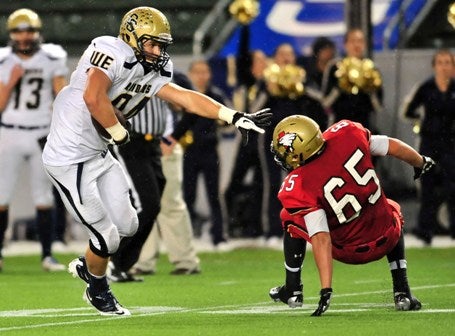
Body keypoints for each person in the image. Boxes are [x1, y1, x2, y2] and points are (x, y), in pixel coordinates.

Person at [41, 6, 271, 316]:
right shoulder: (109, 49)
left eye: (162, 45)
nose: (158, 51)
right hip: (69, 155)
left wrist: (232, 115)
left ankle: (91, 263)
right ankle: (97, 289)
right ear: (131, 36)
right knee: (106, 236)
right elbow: (94, 97)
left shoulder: (155, 69)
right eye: (152, 43)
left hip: (97, 151)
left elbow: (185, 97)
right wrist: (119, 133)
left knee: (129, 223)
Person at [268, 115, 434, 316]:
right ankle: (402, 290)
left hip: (348, 251)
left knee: (289, 217)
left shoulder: (298, 184)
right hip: (386, 236)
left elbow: (321, 238)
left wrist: (326, 289)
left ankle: (292, 289)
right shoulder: (347, 133)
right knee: (391, 208)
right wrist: (420, 161)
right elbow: (391, 146)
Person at [110, 71, 200, 281]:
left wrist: (174, 137)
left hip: (158, 145)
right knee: (145, 205)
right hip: (131, 143)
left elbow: (193, 105)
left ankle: (123, 263)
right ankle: (119, 261)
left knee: (160, 205)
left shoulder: (169, 73)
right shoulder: (120, 73)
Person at [0, 8, 68, 272]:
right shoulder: (3, 61)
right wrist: (11, 82)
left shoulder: (52, 57)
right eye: (19, 31)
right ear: (11, 34)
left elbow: (60, 95)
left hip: (42, 131)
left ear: (38, 32)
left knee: (44, 196)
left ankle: (47, 255)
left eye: (29, 30)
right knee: (2, 195)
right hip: (10, 131)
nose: (25, 36)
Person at [173, 59, 230, 248]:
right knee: (188, 195)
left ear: (210, 74)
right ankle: (187, 238)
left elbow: (228, 119)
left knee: (214, 194)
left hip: (210, 150)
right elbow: (178, 119)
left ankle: (219, 236)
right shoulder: (183, 95)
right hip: (189, 151)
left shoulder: (216, 96)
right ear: (191, 74)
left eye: (205, 72)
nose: (201, 76)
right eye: (197, 72)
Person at [401, 48, 455, 244]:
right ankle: (425, 230)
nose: (444, 66)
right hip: (429, 142)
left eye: (447, 62)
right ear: (434, 66)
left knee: (453, 186)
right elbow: (407, 110)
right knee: (427, 186)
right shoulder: (426, 88)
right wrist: (420, 121)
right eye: (440, 62)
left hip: (450, 143)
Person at [322, 28, 383, 130]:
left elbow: (378, 106)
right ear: (345, 45)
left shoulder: (371, 68)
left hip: (364, 127)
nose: (356, 45)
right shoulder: (335, 67)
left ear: (365, 44)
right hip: (339, 126)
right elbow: (325, 102)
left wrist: (369, 87)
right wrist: (341, 86)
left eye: (360, 41)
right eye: (352, 41)